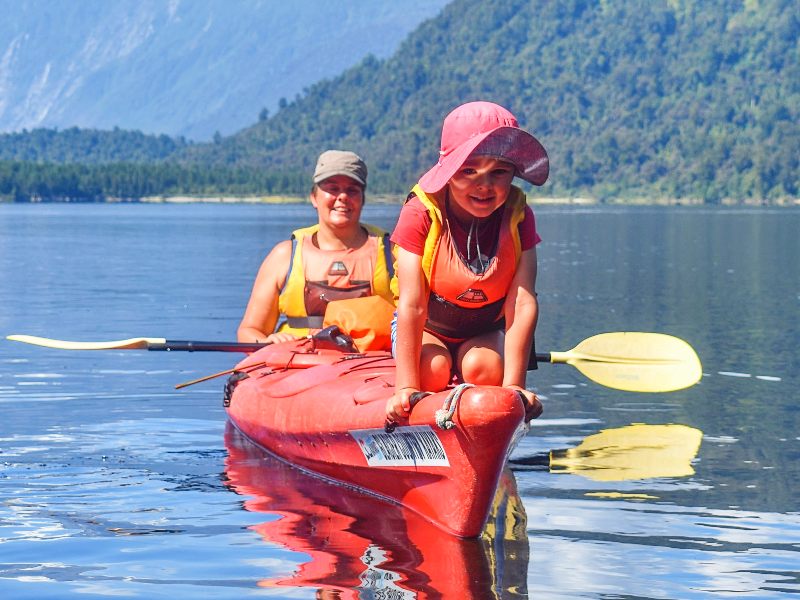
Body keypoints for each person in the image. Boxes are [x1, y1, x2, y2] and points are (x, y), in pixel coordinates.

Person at [387, 101, 548, 423]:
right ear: (448, 173)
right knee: (431, 371)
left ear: (513, 175)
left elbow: (522, 301)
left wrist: (516, 385)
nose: (484, 186)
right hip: (429, 326)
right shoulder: (420, 213)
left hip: (484, 329)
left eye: (498, 173)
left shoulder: (519, 216)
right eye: (468, 171)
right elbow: (412, 304)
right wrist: (405, 387)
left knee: (485, 370)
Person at [237, 150, 394, 344]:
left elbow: (417, 321)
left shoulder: (393, 254)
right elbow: (250, 331)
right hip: (296, 363)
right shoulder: (284, 255)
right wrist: (267, 343)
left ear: (362, 199)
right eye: (332, 188)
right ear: (314, 197)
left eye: (352, 190)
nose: (342, 196)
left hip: (370, 365)